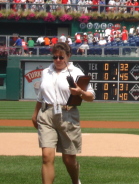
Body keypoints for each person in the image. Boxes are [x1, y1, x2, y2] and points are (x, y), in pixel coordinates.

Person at [31, 42, 95, 184]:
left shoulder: (76, 72)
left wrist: (81, 92)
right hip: (46, 114)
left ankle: (75, 181)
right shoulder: (46, 72)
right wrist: (35, 113)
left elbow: (91, 96)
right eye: (55, 57)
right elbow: (41, 96)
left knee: (68, 159)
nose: (58, 60)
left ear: (68, 56)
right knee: (47, 156)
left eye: (61, 57)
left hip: (68, 114)